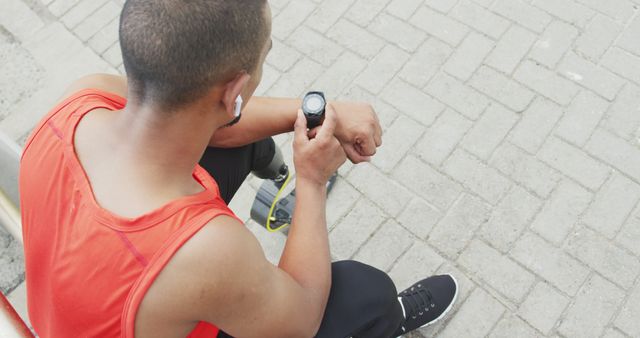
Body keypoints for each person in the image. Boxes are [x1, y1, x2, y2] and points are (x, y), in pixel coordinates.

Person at [19, 0, 457, 337]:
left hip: (76, 310)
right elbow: (300, 318)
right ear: (237, 90)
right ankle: (388, 318)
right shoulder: (206, 251)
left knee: (238, 141)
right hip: (175, 279)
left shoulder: (80, 100)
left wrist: (325, 112)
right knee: (360, 291)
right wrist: (311, 178)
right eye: (265, 54)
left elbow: (220, 124)